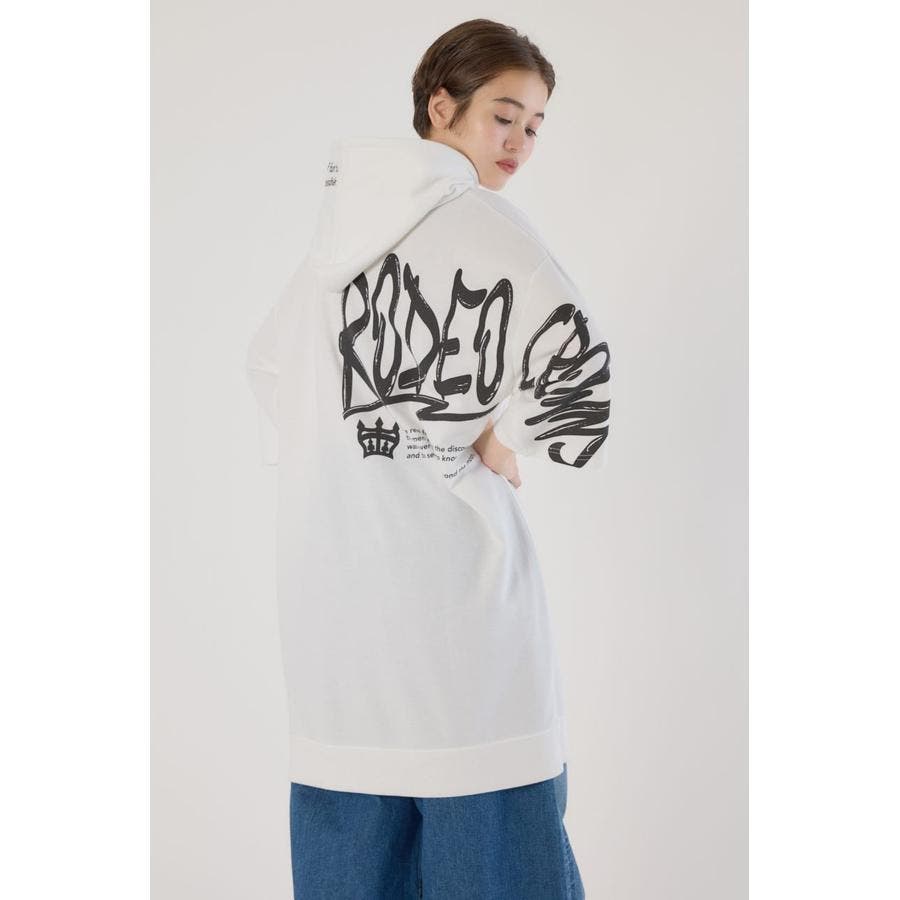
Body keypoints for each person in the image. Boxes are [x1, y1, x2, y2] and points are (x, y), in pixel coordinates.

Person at [245, 18, 611, 899]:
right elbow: (582, 397)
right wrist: (499, 438)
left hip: (337, 643)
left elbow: (267, 369)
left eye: (535, 126)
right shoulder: (487, 228)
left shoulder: (329, 245)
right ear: (440, 106)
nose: (520, 143)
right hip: (467, 638)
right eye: (504, 116)